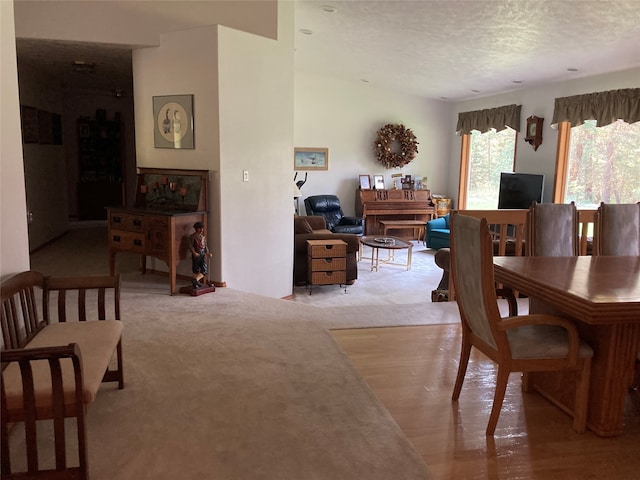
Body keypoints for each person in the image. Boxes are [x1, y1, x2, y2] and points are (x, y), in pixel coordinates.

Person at [189, 222, 211, 289]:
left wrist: (208, 253)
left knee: (204, 270)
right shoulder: (193, 237)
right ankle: (195, 283)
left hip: (202, 254)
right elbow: (190, 246)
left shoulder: (203, 237)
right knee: (195, 269)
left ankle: (195, 280)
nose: (201, 230)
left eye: (202, 228)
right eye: (199, 228)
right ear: (196, 229)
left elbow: (205, 246)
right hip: (197, 254)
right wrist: (194, 253)